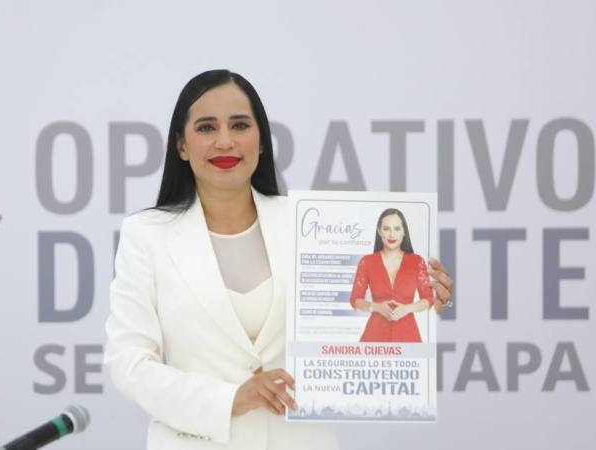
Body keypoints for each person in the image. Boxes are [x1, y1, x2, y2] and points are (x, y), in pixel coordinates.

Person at [103, 70, 454, 449]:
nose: (225, 140)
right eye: (206, 128)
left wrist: (422, 303)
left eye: (240, 125)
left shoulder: (311, 225)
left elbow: (354, 330)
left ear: (261, 141)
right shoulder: (147, 235)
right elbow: (129, 363)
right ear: (182, 146)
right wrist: (228, 400)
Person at [350, 208, 436, 342]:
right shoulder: (367, 262)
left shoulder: (416, 262)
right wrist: (376, 307)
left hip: (408, 335)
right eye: (386, 229)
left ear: (404, 231)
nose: (391, 234)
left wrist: (407, 309)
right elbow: (355, 300)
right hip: (374, 336)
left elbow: (428, 299)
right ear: (379, 231)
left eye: (396, 228)